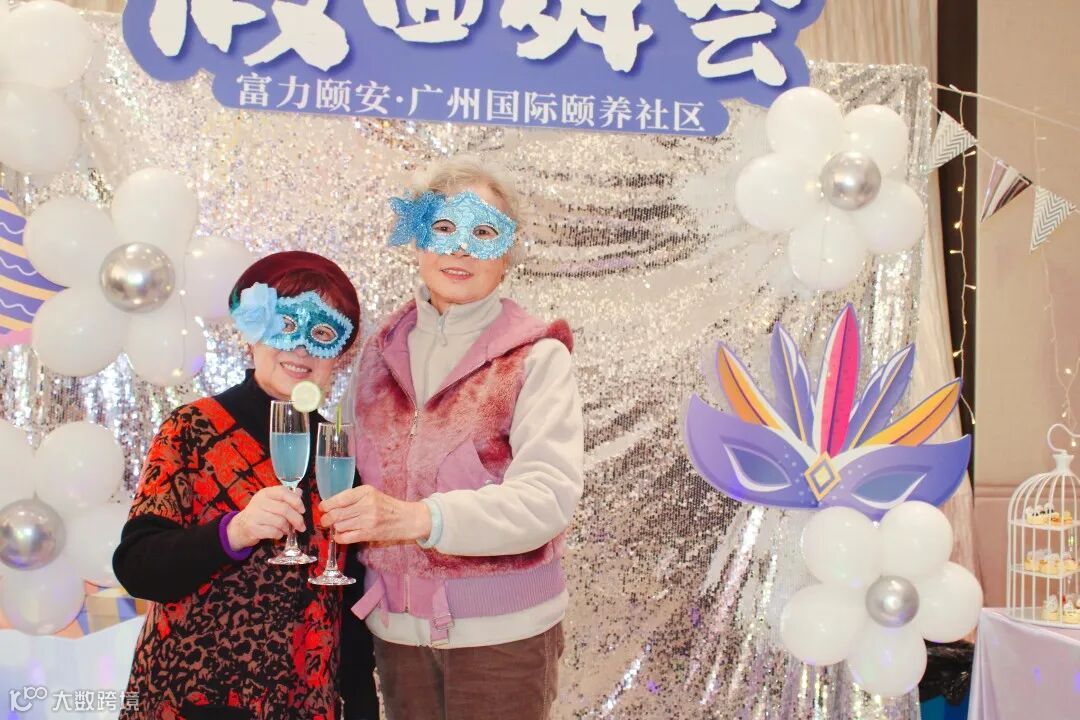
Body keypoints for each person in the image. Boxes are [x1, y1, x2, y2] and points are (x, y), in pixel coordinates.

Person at [325, 159, 585, 720]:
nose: (461, 248)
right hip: (396, 634)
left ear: (507, 254)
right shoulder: (377, 354)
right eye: (443, 227)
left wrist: (420, 519)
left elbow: (547, 498)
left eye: (484, 232)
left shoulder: (537, 357)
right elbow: (346, 472)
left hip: (502, 638)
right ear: (418, 239)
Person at [113, 251, 378, 720]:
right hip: (196, 694)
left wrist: (359, 706)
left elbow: (347, 597)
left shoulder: (336, 450)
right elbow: (137, 567)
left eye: (322, 334)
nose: (301, 348)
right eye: (285, 326)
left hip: (302, 702)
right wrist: (232, 532)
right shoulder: (191, 429)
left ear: (338, 354)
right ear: (252, 334)